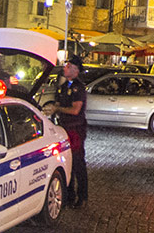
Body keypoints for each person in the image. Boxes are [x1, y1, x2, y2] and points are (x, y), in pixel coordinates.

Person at [44, 55, 88, 208]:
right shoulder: (63, 87)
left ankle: (82, 197)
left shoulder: (78, 88)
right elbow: (57, 103)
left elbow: (75, 110)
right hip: (64, 128)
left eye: (68, 66)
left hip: (75, 128)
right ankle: (69, 196)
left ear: (75, 70)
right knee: (66, 162)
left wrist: (57, 108)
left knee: (77, 163)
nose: (65, 68)